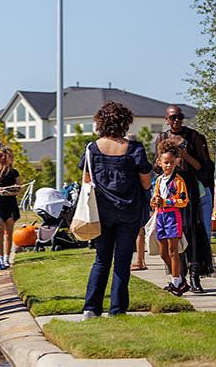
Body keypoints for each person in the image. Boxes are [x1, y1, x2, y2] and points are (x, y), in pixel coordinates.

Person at [79, 101, 153, 318]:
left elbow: (86, 180)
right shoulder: (135, 149)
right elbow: (146, 183)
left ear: (101, 122)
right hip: (129, 211)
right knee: (122, 261)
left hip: (101, 212)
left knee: (101, 260)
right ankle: (117, 310)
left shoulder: (92, 149)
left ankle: (91, 308)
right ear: (124, 122)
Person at [154, 105, 215, 293]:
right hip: (167, 190)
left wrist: (185, 156)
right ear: (166, 119)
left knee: (192, 232)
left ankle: (195, 276)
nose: (176, 121)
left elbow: (204, 168)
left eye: (179, 117)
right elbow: (156, 166)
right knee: (172, 238)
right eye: (172, 118)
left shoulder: (194, 137)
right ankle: (177, 277)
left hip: (188, 189)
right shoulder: (162, 139)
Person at [153, 140, 190, 296]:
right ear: (160, 163)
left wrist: (167, 201)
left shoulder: (178, 181)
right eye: (166, 163)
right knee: (163, 253)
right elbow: (156, 197)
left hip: (173, 217)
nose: (168, 166)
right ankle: (180, 279)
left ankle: (175, 281)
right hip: (160, 216)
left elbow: (184, 200)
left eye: (171, 162)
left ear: (175, 162)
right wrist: (154, 201)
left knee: (173, 250)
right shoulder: (159, 180)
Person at [0, 148, 20, 269]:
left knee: (9, 233)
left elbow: (18, 188)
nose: (12, 158)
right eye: (10, 156)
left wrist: (14, 188)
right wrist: (6, 189)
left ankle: (7, 258)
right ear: (4, 157)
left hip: (11, 203)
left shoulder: (14, 172)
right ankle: (0, 258)